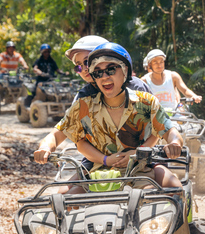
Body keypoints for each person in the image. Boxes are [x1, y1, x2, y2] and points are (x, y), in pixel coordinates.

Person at [35, 42, 183, 194]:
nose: (104, 77)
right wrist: (45, 148)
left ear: (125, 71)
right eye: (98, 72)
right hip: (97, 174)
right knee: (60, 203)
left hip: (140, 170)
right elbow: (55, 135)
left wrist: (174, 143)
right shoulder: (83, 106)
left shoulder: (146, 102)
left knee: (167, 195)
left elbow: (169, 130)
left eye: (110, 69)